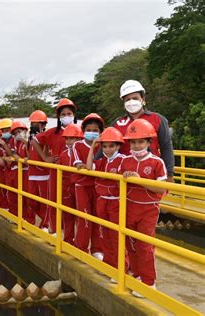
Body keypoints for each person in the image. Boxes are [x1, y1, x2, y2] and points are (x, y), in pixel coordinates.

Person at [118, 119, 167, 296]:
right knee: (130, 243)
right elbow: (118, 182)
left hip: (148, 209)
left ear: (149, 142)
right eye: (133, 141)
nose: (137, 145)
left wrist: (140, 180)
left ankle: (148, 282)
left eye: (141, 141)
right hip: (130, 207)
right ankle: (136, 274)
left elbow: (161, 188)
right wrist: (124, 176)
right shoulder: (125, 161)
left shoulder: (156, 162)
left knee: (144, 245)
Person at [114, 80, 174, 181]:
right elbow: (106, 147)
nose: (131, 101)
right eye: (127, 99)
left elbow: (166, 146)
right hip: (125, 175)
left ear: (143, 99)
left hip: (152, 172)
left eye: (135, 98)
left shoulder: (158, 119)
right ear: (123, 103)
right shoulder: (117, 123)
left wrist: (169, 173)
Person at [35, 98, 78, 235]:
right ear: (59, 117)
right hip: (56, 172)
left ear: (74, 114)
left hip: (75, 173)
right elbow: (35, 140)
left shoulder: (80, 131)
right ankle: (54, 228)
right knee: (54, 200)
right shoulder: (53, 132)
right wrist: (45, 157)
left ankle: (73, 233)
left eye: (69, 113)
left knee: (74, 203)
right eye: (63, 114)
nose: (66, 117)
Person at [86, 127, 126, 269]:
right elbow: (89, 167)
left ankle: (122, 268)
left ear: (118, 146)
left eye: (111, 146)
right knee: (104, 234)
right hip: (102, 201)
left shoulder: (123, 161)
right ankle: (109, 265)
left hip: (116, 202)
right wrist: (93, 147)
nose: (108, 149)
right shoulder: (102, 161)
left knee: (116, 236)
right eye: (105, 146)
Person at [72, 113, 104, 259]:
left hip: (98, 185)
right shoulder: (77, 145)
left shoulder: (104, 146)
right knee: (84, 217)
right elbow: (79, 164)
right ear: (83, 130)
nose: (92, 132)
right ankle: (81, 247)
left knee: (98, 217)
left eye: (96, 130)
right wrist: (83, 165)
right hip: (82, 186)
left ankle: (97, 248)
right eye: (89, 129)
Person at [27, 110, 53, 231]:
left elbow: (47, 152)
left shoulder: (45, 135)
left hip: (43, 174)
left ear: (42, 124)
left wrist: (45, 158)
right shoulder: (30, 137)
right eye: (32, 123)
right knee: (31, 201)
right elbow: (29, 152)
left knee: (44, 202)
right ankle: (45, 219)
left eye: (35, 123)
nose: (33, 125)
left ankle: (46, 224)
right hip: (32, 174)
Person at [58, 124, 84, 244]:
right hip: (66, 188)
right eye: (67, 138)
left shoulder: (82, 153)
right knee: (67, 215)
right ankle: (68, 240)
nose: (69, 141)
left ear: (79, 139)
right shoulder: (63, 154)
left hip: (79, 187)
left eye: (72, 138)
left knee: (81, 216)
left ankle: (80, 242)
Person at [8, 121, 34, 223]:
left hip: (27, 172)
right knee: (15, 195)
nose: (17, 135)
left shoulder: (30, 141)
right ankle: (17, 216)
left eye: (19, 132)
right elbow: (14, 154)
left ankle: (29, 219)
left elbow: (30, 156)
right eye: (15, 133)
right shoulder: (16, 142)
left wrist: (25, 142)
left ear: (25, 131)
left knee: (28, 197)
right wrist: (17, 157)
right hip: (19, 171)